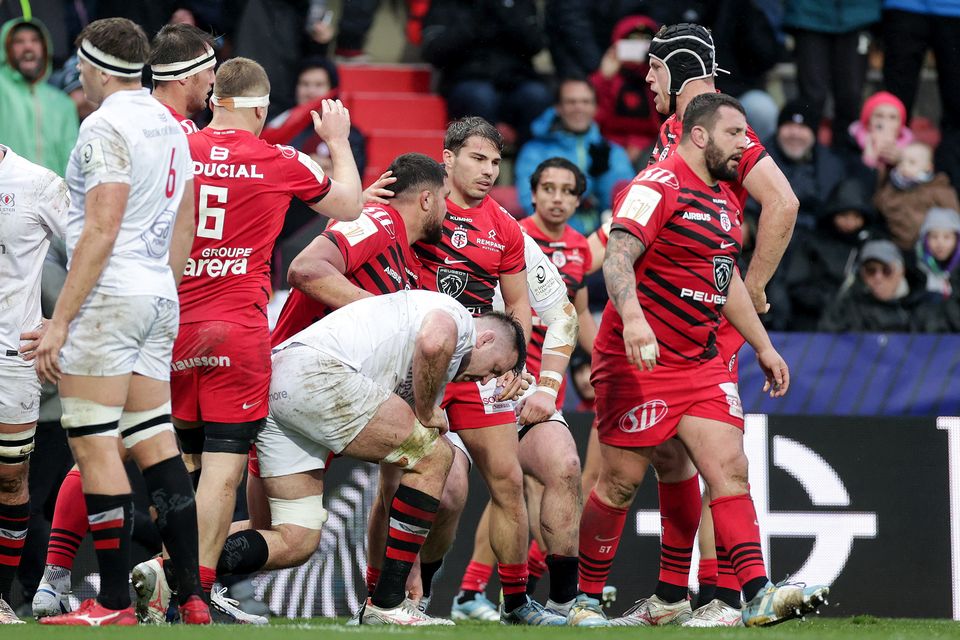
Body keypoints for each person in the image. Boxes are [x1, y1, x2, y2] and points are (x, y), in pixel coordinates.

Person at [569, 92, 828, 629]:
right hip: (636, 357)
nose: (745, 145)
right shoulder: (656, 185)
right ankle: (586, 602)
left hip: (698, 360)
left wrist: (761, 343)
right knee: (618, 482)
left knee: (729, 468)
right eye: (736, 134)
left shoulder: (722, 199)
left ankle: (755, 593)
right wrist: (635, 317)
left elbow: (724, 278)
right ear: (701, 135)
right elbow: (618, 255)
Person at [142, 56, 362, 622]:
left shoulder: (177, 148)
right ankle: (197, 594)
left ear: (214, 97)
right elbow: (350, 205)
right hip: (237, 333)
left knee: (181, 467)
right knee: (223, 469)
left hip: (173, 327)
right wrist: (337, 139)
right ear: (262, 108)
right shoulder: (278, 158)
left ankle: (167, 580)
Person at [30, 22, 219, 622]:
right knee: (155, 442)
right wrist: (157, 289)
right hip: (159, 293)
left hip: (112, 296)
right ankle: (191, 596)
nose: (77, 79)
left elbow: (102, 227)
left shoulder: (104, 123)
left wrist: (60, 323)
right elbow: (185, 223)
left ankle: (112, 602)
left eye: (81, 69)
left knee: (92, 445)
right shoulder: (171, 124)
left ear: (97, 67)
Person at [262, 290, 525, 625]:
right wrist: (429, 411)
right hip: (318, 374)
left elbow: (395, 473)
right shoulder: (458, 320)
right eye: (495, 368)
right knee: (436, 455)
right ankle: (386, 601)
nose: (486, 380)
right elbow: (434, 341)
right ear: (485, 339)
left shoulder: (424, 355)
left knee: (294, 538)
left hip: (280, 379)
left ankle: (189, 571)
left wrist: (408, 562)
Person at [413, 116, 569, 625]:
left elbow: (521, 303)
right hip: (417, 373)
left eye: (495, 162)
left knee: (506, 481)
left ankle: (518, 604)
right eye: (478, 158)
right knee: (421, 489)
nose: (487, 170)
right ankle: (395, 597)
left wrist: (517, 363)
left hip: (478, 377)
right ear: (449, 157)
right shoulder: (420, 202)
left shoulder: (502, 224)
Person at [450, 157, 598, 620]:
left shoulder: (579, 250)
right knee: (504, 487)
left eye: (566, 190)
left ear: (577, 200)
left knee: (558, 472)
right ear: (533, 193)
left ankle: (559, 601)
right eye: (548, 188)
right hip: (474, 378)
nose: (557, 197)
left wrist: (595, 365)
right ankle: (461, 590)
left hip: (532, 384)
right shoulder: (506, 231)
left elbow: (575, 316)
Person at [0, 145, 70, 624]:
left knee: (10, 479)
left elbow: (95, 249)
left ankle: (0, 596)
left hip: (11, 356)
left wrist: (61, 323)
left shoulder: (39, 183)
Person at [420, 0, 552, 143]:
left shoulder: (518, 3)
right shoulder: (446, 4)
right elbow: (433, 51)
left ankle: (528, 160)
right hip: (467, 81)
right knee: (481, 96)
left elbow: (536, 44)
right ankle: (482, 155)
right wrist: (475, 17)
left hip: (515, 81)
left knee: (537, 96)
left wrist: (505, 11)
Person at [515, 78, 635, 234]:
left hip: (600, 241)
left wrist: (603, 176)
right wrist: (589, 181)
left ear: (595, 108)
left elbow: (624, 207)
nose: (579, 108)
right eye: (571, 102)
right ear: (558, 107)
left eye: (586, 102)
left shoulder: (612, 151)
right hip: (552, 240)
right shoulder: (533, 151)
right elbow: (533, 206)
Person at [784, 178, 879, 330]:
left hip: (860, 324)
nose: (850, 222)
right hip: (815, 324)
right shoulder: (811, 243)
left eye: (856, 216)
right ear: (833, 213)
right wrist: (828, 299)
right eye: (845, 215)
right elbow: (797, 285)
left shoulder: (869, 244)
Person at [782, 0, 881, 145]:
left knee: (850, 96)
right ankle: (808, 158)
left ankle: (846, 156)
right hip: (808, 14)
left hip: (859, 14)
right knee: (813, 96)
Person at [0, 16, 79, 176]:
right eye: (19, 41)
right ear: (6, 48)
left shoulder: (63, 103)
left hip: (50, 196)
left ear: (45, 47)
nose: (28, 46)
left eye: (35, 40)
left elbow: (71, 163)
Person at [759, 99, 845, 230]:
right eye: (789, 125)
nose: (795, 133)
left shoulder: (832, 165)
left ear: (814, 133)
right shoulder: (758, 160)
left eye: (802, 127)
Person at [819, 238, 938, 331]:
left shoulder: (924, 305)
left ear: (901, 271)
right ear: (862, 274)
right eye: (871, 271)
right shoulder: (849, 308)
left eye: (887, 270)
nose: (878, 277)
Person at [589, 15, 662, 165]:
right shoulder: (605, 78)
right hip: (608, 148)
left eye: (646, 40)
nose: (640, 46)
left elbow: (663, 123)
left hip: (649, 147)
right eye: (633, 40)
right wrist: (603, 80)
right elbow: (594, 121)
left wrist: (638, 143)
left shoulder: (659, 78)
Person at [873, 141, 959, 250]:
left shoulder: (938, 189)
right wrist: (883, 176)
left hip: (929, 249)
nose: (904, 166)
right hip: (898, 244)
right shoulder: (893, 187)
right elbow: (879, 204)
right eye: (901, 162)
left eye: (912, 162)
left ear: (928, 168)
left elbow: (953, 217)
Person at [148, 23, 217, 134]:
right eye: (209, 70)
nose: (213, 80)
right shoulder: (185, 135)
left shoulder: (128, 116)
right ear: (184, 74)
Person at [916, 207, 960, 297]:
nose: (940, 244)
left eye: (947, 237)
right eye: (934, 237)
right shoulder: (917, 271)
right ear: (925, 240)